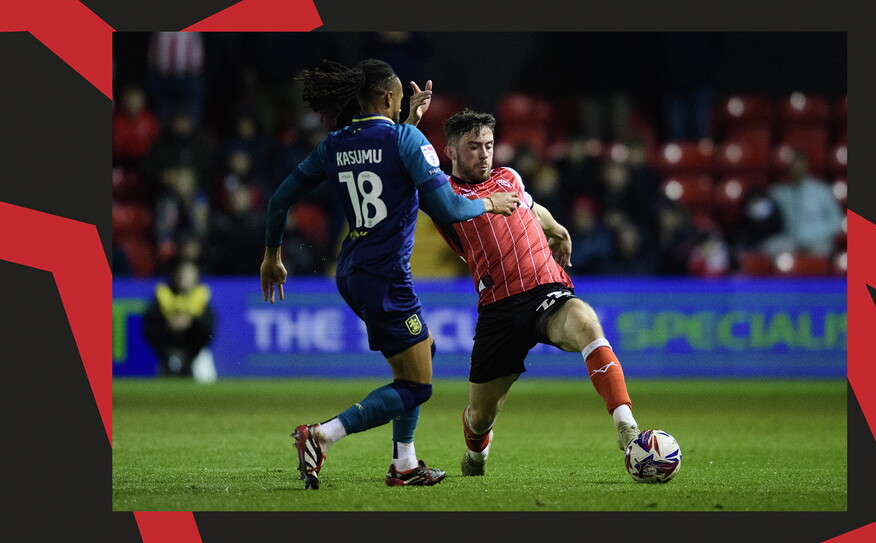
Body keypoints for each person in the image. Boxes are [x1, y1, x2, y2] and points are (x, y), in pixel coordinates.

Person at [258, 59, 521, 489]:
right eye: (398, 98)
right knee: (418, 386)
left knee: (423, 352)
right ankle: (322, 436)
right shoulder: (405, 139)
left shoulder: (335, 143)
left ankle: (404, 463)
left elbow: (279, 200)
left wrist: (272, 255)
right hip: (385, 275)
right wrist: (492, 203)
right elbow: (449, 208)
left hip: (352, 270)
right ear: (387, 97)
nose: (401, 105)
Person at [426, 109, 641, 477]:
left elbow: (531, 208)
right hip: (498, 310)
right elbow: (444, 201)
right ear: (451, 152)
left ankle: (627, 426)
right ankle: (476, 454)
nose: (484, 153)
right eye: (474, 146)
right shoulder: (444, 194)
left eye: (489, 145)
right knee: (481, 416)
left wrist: (558, 228)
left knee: (587, 323)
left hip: (545, 291)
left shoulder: (508, 177)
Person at [142, 259, 217, 383]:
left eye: (188, 275)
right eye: (181, 274)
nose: (184, 278)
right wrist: (167, 324)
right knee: (164, 388)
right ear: (174, 275)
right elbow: (149, 328)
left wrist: (191, 322)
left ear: (196, 277)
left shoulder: (201, 296)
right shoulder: (163, 295)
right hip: (168, 352)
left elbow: (209, 329)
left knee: (206, 383)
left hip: (196, 353)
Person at [761, 151, 844, 258]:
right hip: (791, 240)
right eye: (793, 166)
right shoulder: (779, 193)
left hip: (817, 240)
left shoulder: (821, 190)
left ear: (806, 167)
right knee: (769, 248)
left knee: (821, 251)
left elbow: (836, 221)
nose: (796, 170)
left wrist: (815, 233)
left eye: (799, 166)